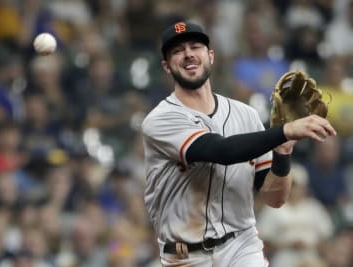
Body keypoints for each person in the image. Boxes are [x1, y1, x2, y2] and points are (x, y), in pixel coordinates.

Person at [141, 21, 336, 267]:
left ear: (210, 56)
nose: (188, 53)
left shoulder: (246, 115)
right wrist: (284, 130)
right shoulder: (160, 120)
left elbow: (274, 198)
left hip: (241, 247)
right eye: (177, 50)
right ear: (167, 66)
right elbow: (220, 150)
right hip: (184, 255)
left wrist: (282, 153)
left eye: (195, 46)